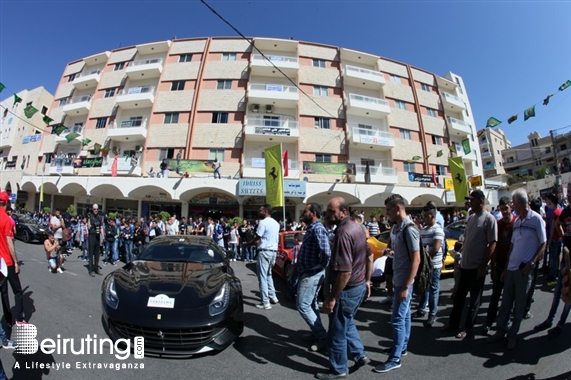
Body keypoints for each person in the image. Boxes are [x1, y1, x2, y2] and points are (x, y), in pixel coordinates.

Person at [315, 197, 372, 379]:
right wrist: (367, 281)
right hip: (358, 287)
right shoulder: (358, 228)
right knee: (346, 323)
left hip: (348, 291)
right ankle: (359, 354)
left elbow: (345, 273)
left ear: (343, 212)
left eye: (332, 211)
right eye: (328, 211)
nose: (328, 214)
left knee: (337, 332)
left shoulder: (343, 233)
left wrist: (331, 298)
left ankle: (339, 369)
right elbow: (368, 257)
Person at [488, 188, 546, 349]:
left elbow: (543, 243)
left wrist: (532, 263)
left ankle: (512, 335)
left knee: (519, 305)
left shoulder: (536, 219)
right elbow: (512, 246)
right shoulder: (518, 221)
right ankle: (501, 331)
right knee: (505, 303)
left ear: (520, 203)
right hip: (511, 269)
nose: (512, 206)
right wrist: (506, 268)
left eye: (513, 203)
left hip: (523, 271)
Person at [372, 194, 420, 373]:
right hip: (400, 279)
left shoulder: (409, 229)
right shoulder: (397, 228)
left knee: (397, 320)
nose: (387, 214)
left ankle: (395, 358)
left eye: (388, 210)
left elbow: (416, 259)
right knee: (404, 317)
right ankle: (402, 348)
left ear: (397, 208)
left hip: (404, 282)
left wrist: (406, 287)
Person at [442, 190, 497, 339]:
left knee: (474, 300)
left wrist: (483, 265)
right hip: (465, 265)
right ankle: (453, 323)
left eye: (472, 200)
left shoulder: (489, 219)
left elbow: (492, 244)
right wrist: (460, 261)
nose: (469, 203)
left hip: (477, 267)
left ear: (480, 200)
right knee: (459, 297)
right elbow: (466, 241)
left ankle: (468, 328)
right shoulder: (472, 218)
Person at [296, 203, 331, 352]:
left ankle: (322, 336)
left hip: (312, 273)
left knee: (303, 305)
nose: (303, 214)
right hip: (309, 272)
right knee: (311, 304)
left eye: (306, 211)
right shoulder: (312, 228)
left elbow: (326, 253)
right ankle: (317, 332)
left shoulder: (318, 229)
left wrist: (318, 267)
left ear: (314, 213)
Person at [484, 196, 514, 335]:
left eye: (506, 208)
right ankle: (489, 322)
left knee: (509, 297)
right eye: (501, 209)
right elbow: (494, 246)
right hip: (500, 264)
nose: (504, 212)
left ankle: (505, 324)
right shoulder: (498, 224)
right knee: (495, 296)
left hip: (512, 266)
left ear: (511, 207)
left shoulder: (517, 223)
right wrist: (493, 266)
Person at [414, 205, 444, 328]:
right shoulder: (424, 230)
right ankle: (421, 309)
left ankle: (432, 313)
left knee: (433, 290)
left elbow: (435, 249)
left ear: (432, 216)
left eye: (426, 216)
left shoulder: (437, 229)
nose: (424, 218)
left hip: (434, 265)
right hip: (425, 265)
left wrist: (425, 259)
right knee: (424, 288)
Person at [245, 204, 280, 310]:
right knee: (268, 275)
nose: (258, 212)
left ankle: (265, 302)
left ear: (265, 211)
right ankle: (273, 297)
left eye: (260, 210)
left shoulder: (263, 223)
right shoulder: (275, 223)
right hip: (273, 252)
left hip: (264, 251)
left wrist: (246, 244)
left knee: (262, 277)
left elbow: (257, 239)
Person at [0, 192, 26, 325]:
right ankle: (19, 319)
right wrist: (16, 262)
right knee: (18, 291)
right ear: (6, 203)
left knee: (3, 291)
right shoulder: (5, 219)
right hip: (6, 261)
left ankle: (8, 318)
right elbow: (9, 242)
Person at [545, 193, 563, 285]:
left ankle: (553, 275)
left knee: (553, 257)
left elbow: (553, 227)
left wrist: (550, 238)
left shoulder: (555, 213)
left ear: (552, 202)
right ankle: (557, 273)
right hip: (560, 238)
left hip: (555, 237)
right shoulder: (560, 211)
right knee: (558, 256)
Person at [87, 204, 104, 276]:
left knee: (97, 254)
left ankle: (96, 268)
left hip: (97, 236)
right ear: (92, 209)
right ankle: (91, 270)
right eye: (94, 209)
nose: (96, 210)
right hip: (92, 236)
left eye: (97, 209)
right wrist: (88, 219)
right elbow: (88, 227)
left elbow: (101, 227)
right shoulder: (90, 216)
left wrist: (103, 236)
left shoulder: (99, 217)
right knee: (91, 254)